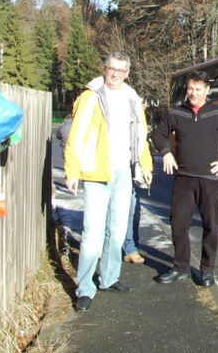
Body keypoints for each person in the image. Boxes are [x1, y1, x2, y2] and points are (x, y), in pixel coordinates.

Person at [64, 51, 153, 313]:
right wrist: (72, 169)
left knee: (116, 231)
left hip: (124, 172)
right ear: (105, 68)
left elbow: (141, 136)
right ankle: (85, 289)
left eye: (121, 70)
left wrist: (145, 165)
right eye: (112, 69)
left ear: (127, 73)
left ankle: (110, 277)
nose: (115, 74)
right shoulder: (90, 97)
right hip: (96, 171)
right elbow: (76, 135)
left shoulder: (132, 99)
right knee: (92, 232)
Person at [150, 70, 218, 287]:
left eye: (198, 89)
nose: (193, 93)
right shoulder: (177, 113)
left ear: (207, 90)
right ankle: (180, 267)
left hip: (209, 180)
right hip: (184, 178)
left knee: (210, 226)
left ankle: (207, 270)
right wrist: (165, 151)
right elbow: (157, 134)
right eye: (190, 88)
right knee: (178, 224)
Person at [121, 100, 153, 265]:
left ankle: (131, 247)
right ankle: (124, 247)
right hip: (115, 168)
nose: (143, 107)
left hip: (134, 170)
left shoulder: (140, 119)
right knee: (118, 211)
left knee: (133, 211)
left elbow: (143, 144)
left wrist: (147, 167)